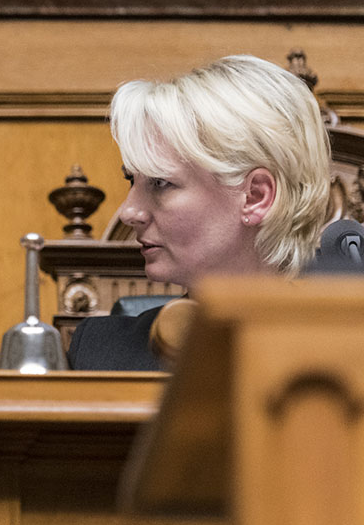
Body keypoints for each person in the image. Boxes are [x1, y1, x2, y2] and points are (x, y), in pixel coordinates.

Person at [68, 54, 331, 371]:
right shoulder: (100, 354)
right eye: (131, 180)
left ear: (256, 196)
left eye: (161, 183)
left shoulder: (344, 355)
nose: (129, 211)